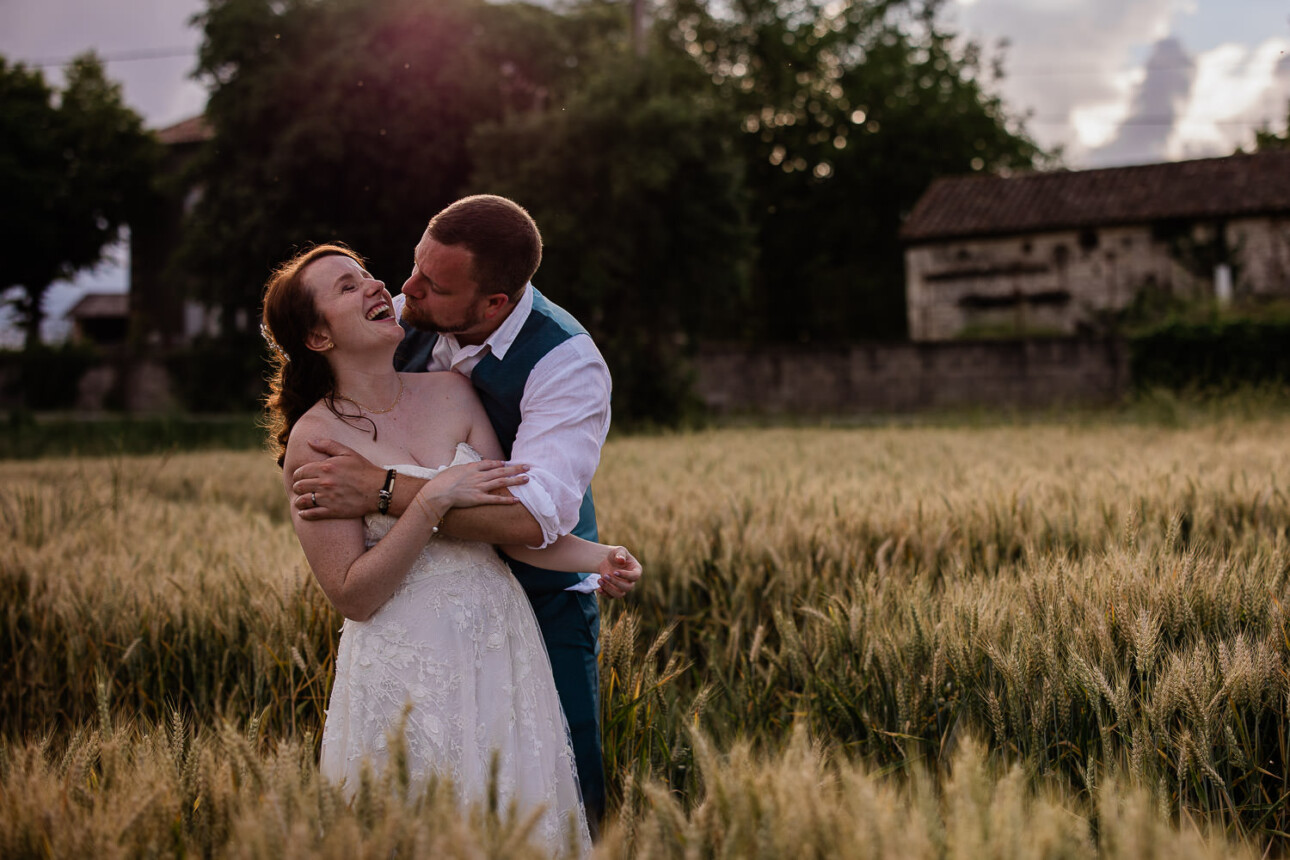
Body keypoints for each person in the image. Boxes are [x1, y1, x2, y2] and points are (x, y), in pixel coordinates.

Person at [261, 242, 640, 855]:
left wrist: (600, 558)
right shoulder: (317, 442)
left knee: (516, 824)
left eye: (366, 275)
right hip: (404, 667)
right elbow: (353, 594)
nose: (376, 286)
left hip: (501, 654)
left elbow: (507, 530)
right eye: (345, 287)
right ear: (317, 338)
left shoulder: (452, 393)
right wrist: (430, 502)